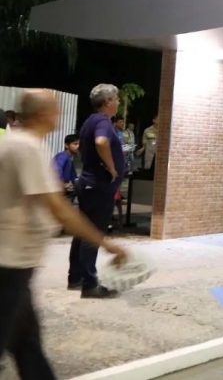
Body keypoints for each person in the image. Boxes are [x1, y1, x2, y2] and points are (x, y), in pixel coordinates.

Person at [0, 90, 128, 380]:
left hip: (16, 261)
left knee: (27, 345)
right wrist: (105, 242)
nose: (58, 113)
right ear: (43, 113)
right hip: (8, 263)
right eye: (55, 108)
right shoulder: (28, 148)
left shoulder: (18, 143)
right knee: (23, 341)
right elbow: (58, 208)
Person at [68, 83, 126, 298]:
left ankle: (76, 278)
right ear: (108, 101)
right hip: (98, 185)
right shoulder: (102, 121)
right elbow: (101, 142)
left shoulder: (90, 121)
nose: (118, 103)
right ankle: (90, 284)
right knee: (93, 234)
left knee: (83, 231)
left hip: (89, 183)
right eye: (116, 99)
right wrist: (111, 168)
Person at [53, 134, 81, 202]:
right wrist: (62, 184)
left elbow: (74, 177)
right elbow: (56, 170)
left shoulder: (70, 159)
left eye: (79, 144)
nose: (78, 146)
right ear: (66, 145)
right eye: (75, 144)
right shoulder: (62, 156)